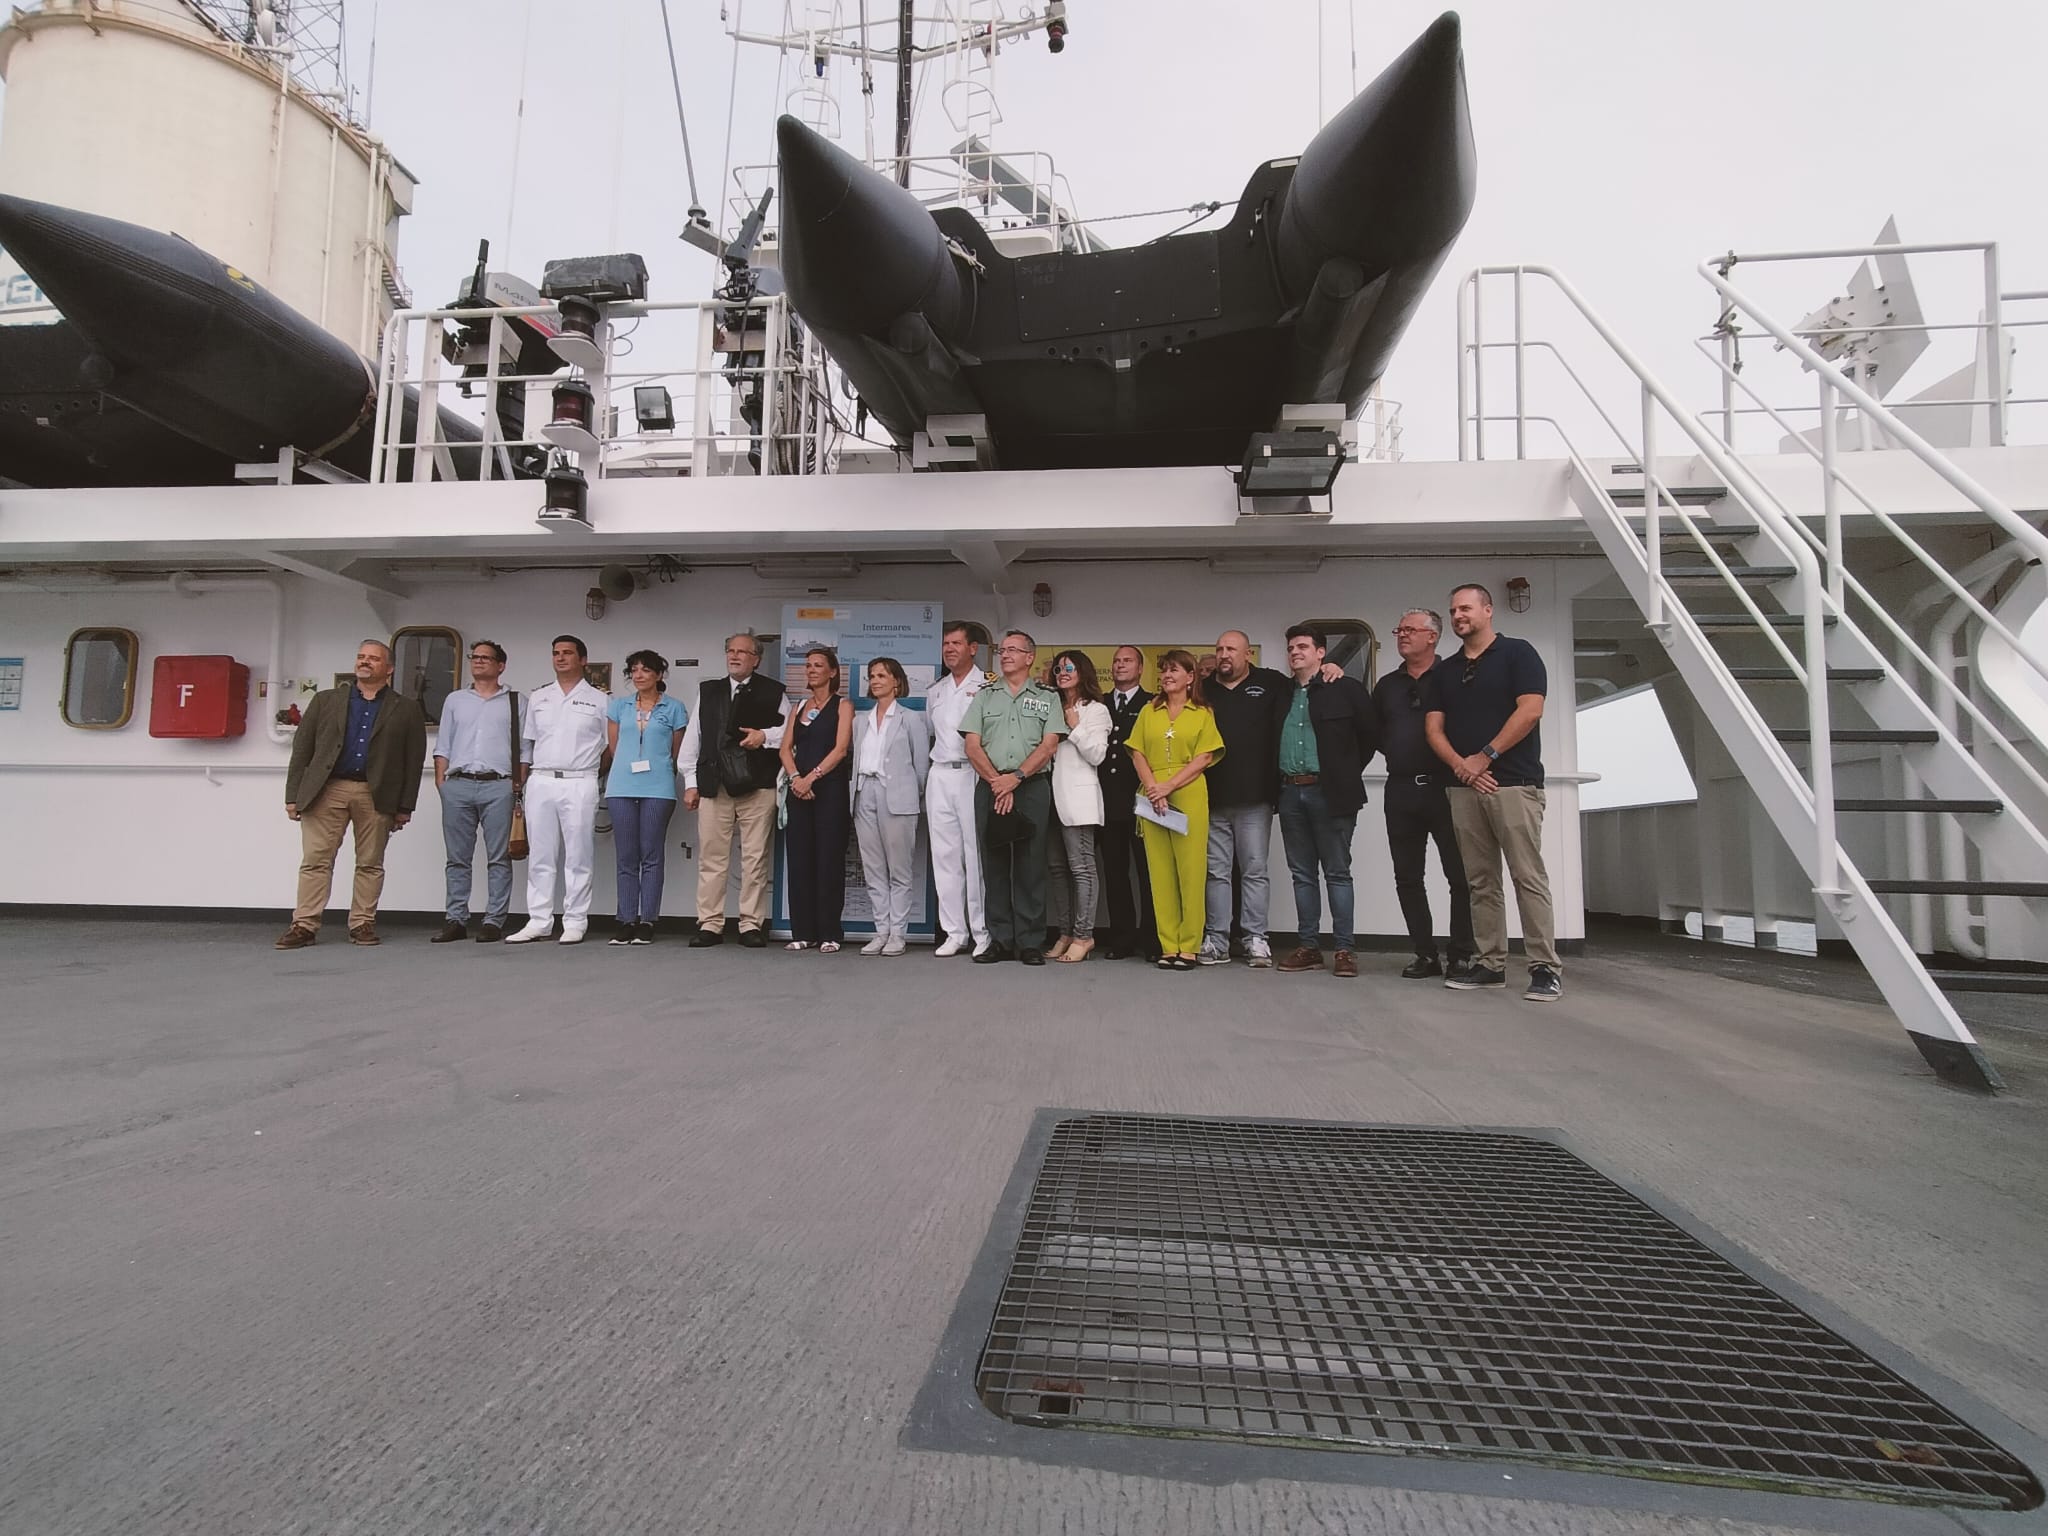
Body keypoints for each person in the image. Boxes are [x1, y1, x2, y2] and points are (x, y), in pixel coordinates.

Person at [1425, 583, 1562, 1002]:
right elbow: (1433, 729)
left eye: (1465, 608)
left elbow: (1531, 710)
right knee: (1481, 881)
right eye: (1453, 610)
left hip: (1514, 784)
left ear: (1487, 610)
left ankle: (1544, 968)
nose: (1458, 616)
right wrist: (1463, 768)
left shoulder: (1519, 654)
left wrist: (1484, 757)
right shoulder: (1445, 671)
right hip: (1463, 787)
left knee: (1527, 876)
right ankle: (1490, 963)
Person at [275, 639, 427, 949]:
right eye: (361, 656)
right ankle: (304, 925)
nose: (365, 662)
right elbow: (302, 749)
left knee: (370, 862)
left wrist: (405, 806)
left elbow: (413, 761)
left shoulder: (406, 708)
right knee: (316, 859)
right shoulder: (326, 700)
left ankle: (362, 924)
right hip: (327, 789)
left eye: (373, 658)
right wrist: (293, 795)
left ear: (389, 668)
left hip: (377, 793)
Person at [1371, 609, 1474, 980]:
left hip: (1447, 787)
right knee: (1408, 877)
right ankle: (1425, 954)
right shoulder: (1387, 686)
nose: (1402, 635)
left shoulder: (1455, 677)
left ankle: (1461, 954)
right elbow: (1376, 733)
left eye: (1410, 630)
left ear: (1432, 637)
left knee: (1460, 877)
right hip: (1400, 789)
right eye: (1399, 630)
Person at [1272, 624, 1380, 979]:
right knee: (1302, 874)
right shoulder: (1281, 692)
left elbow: (1369, 735)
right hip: (1290, 792)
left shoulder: (1345, 689)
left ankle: (1345, 950)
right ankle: (1309, 947)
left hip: (1330, 793)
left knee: (1337, 872)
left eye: (1303, 646)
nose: (1295, 652)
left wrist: (1343, 771)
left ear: (1321, 653)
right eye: (1291, 648)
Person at [959, 629, 1066, 965]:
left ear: (1029, 657)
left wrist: (1015, 778)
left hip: (1031, 786)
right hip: (991, 785)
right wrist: (997, 782)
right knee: (994, 863)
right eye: (1002, 650)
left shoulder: (1047, 697)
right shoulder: (985, 696)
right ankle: (1001, 940)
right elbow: (972, 745)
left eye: (1013, 650)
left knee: (1030, 865)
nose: (1005, 655)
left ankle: (1030, 941)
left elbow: (1049, 745)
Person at [682, 632, 792, 948]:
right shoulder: (709, 691)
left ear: (756, 659)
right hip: (715, 785)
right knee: (711, 858)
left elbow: (788, 732)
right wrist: (691, 783)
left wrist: (764, 737)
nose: (734, 656)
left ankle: (750, 925)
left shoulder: (774, 692)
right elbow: (694, 738)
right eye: (730, 650)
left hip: (757, 786)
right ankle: (710, 924)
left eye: (742, 652)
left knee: (755, 859)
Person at [1125, 649, 1225, 969]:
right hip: (1153, 795)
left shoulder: (1202, 712)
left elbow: (1205, 757)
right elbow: (1137, 752)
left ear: (1190, 677)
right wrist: (1154, 788)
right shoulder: (1149, 711)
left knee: (1191, 872)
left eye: (1174, 670)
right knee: (1160, 873)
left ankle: (1189, 946)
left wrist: (1169, 786)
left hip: (1188, 793)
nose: (1167, 676)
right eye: (1164, 670)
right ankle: (1168, 945)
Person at [507, 635, 610, 945]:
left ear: (583, 660)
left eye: (567, 653)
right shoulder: (539, 697)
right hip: (541, 779)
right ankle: (539, 920)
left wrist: (594, 773)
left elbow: (609, 746)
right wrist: (522, 782)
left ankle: (575, 920)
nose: (560, 658)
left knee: (578, 855)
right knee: (541, 855)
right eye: (556, 653)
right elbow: (529, 744)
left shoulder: (600, 699)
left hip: (580, 780)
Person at [1198, 630, 1290, 967]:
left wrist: (1330, 668)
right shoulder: (1203, 689)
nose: (1224, 654)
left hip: (1255, 797)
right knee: (1216, 873)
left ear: (1248, 653)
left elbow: (1307, 684)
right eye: (1219, 648)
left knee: (1254, 871)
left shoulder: (1272, 683)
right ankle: (1217, 940)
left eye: (1231, 649)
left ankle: (1255, 939)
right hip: (1212, 797)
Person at [431, 640, 528, 944]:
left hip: (499, 785)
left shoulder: (516, 701)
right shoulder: (455, 700)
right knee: (457, 858)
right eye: (475, 657)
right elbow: (443, 744)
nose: (479, 661)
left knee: (499, 858)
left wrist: (517, 785)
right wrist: (442, 783)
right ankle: (455, 919)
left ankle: (493, 921)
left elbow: (525, 749)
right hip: (458, 785)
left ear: (501, 665)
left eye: (486, 657)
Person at [603, 649, 689, 945]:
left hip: (658, 787)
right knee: (626, 856)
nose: (639, 675)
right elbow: (614, 748)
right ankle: (626, 919)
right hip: (621, 786)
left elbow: (676, 752)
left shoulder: (674, 708)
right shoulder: (619, 706)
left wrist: (663, 769)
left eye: (646, 670)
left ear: (659, 675)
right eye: (634, 670)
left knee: (651, 855)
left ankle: (648, 920)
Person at [850, 656, 930, 956]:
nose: (875, 680)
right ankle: (880, 931)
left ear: (897, 681)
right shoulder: (861, 720)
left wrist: (910, 794)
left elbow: (921, 766)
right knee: (873, 868)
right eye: (872, 676)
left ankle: (898, 933)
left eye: (882, 675)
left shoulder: (911, 719)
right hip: (864, 792)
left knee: (899, 869)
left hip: (897, 795)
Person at [780, 647, 855, 952]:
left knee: (828, 861)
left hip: (830, 790)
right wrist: (796, 778)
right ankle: (802, 931)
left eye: (818, 665)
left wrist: (812, 777)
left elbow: (841, 749)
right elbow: (785, 748)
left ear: (832, 671)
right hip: (799, 790)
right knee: (800, 860)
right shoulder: (799, 706)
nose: (811, 670)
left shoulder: (843, 705)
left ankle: (829, 933)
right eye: (808, 665)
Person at [925, 621, 992, 957]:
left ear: (973, 648)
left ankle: (982, 932)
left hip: (971, 773)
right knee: (945, 856)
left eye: (956, 643)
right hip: (939, 774)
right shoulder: (935, 691)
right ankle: (954, 932)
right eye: (945, 644)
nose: (949, 649)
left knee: (974, 855)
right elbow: (933, 733)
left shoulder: (987, 686)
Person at [1044, 649, 1112, 964]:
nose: (1062, 673)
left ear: (1082, 672)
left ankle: (1084, 935)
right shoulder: (1051, 705)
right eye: (1058, 669)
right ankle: (1066, 932)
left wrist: (1075, 726)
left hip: (1078, 800)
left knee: (1082, 869)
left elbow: (1097, 755)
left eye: (1069, 667)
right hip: (1049, 798)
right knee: (1057, 869)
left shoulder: (1096, 710)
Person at [1096, 645, 1156, 961]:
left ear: (1140, 668)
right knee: (1115, 873)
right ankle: (1122, 938)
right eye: (1117, 661)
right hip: (1108, 800)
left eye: (1128, 661)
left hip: (1142, 799)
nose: (1120, 665)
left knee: (1149, 874)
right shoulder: (1100, 703)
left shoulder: (1152, 703)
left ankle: (1152, 939)